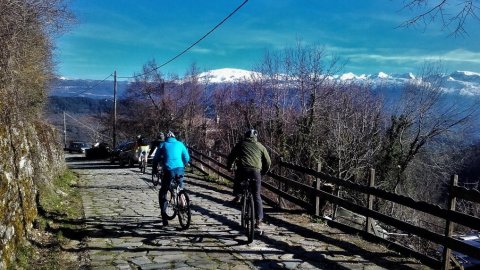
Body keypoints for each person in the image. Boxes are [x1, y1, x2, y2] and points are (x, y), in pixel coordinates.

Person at [227, 129, 271, 228]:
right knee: (256, 195)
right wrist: (264, 171)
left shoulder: (241, 144)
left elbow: (231, 157)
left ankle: (238, 196)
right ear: (256, 137)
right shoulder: (261, 146)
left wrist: (229, 167)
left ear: (245, 136)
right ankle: (259, 220)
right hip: (256, 172)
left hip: (243, 170)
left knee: (238, 179)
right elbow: (268, 162)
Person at [155, 131, 190, 226]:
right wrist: (184, 164)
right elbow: (187, 157)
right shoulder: (180, 144)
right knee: (180, 186)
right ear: (175, 137)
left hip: (169, 170)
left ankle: (164, 217)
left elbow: (156, 158)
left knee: (163, 191)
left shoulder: (163, 144)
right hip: (180, 169)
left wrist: (154, 169)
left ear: (166, 138)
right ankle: (183, 204)